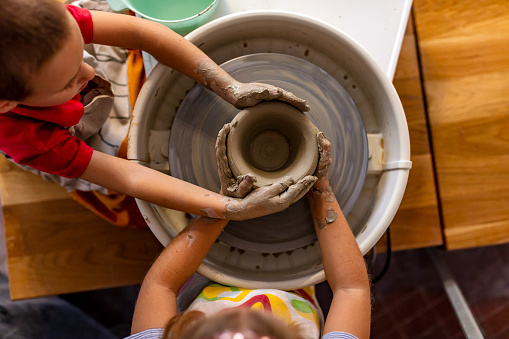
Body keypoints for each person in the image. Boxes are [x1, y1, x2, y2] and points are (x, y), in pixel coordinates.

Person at [0, 0, 316, 222]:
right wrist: (228, 207)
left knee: (120, 23)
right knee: (136, 170)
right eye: (69, 80)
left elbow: (142, 34)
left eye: (80, 56)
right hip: (64, 132)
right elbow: (132, 178)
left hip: (49, 66)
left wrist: (228, 85)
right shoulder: (33, 141)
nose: (86, 71)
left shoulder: (45, 26)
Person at [127, 133, 372, 339]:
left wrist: (224, 208)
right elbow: (350, 289)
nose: (252, 310)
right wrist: (320, 189)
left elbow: (161, 286)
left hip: (203, 276)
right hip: (295, 283)